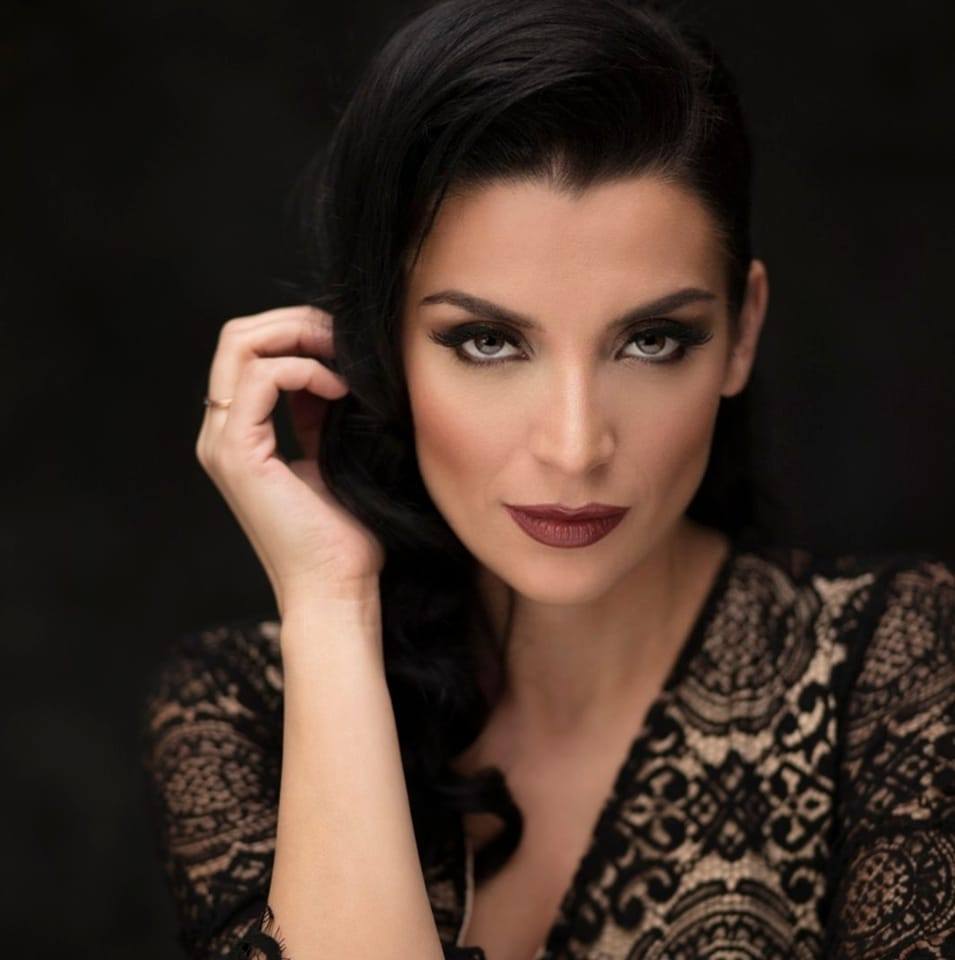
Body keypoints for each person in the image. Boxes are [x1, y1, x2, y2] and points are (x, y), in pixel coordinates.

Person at [140, 0, 955, 958]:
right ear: (378, 349)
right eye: (487, 341)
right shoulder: (241, 710)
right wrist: (329, 603)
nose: (575, 447)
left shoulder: (903, 666)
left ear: (741, 333)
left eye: (652, 340)